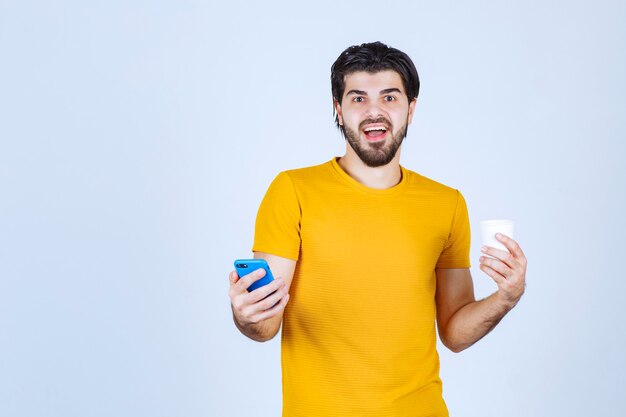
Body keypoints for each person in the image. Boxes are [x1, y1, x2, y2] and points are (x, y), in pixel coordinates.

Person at [228, 41, 527, 417]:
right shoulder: (292, 191)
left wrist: (505, 298)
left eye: (389, 97)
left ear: (410, 109)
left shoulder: (447, 203)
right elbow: (265, 325)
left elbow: (453, 331)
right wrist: (247, 314)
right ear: (338, 110)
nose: (374, 111)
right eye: (357, 99)